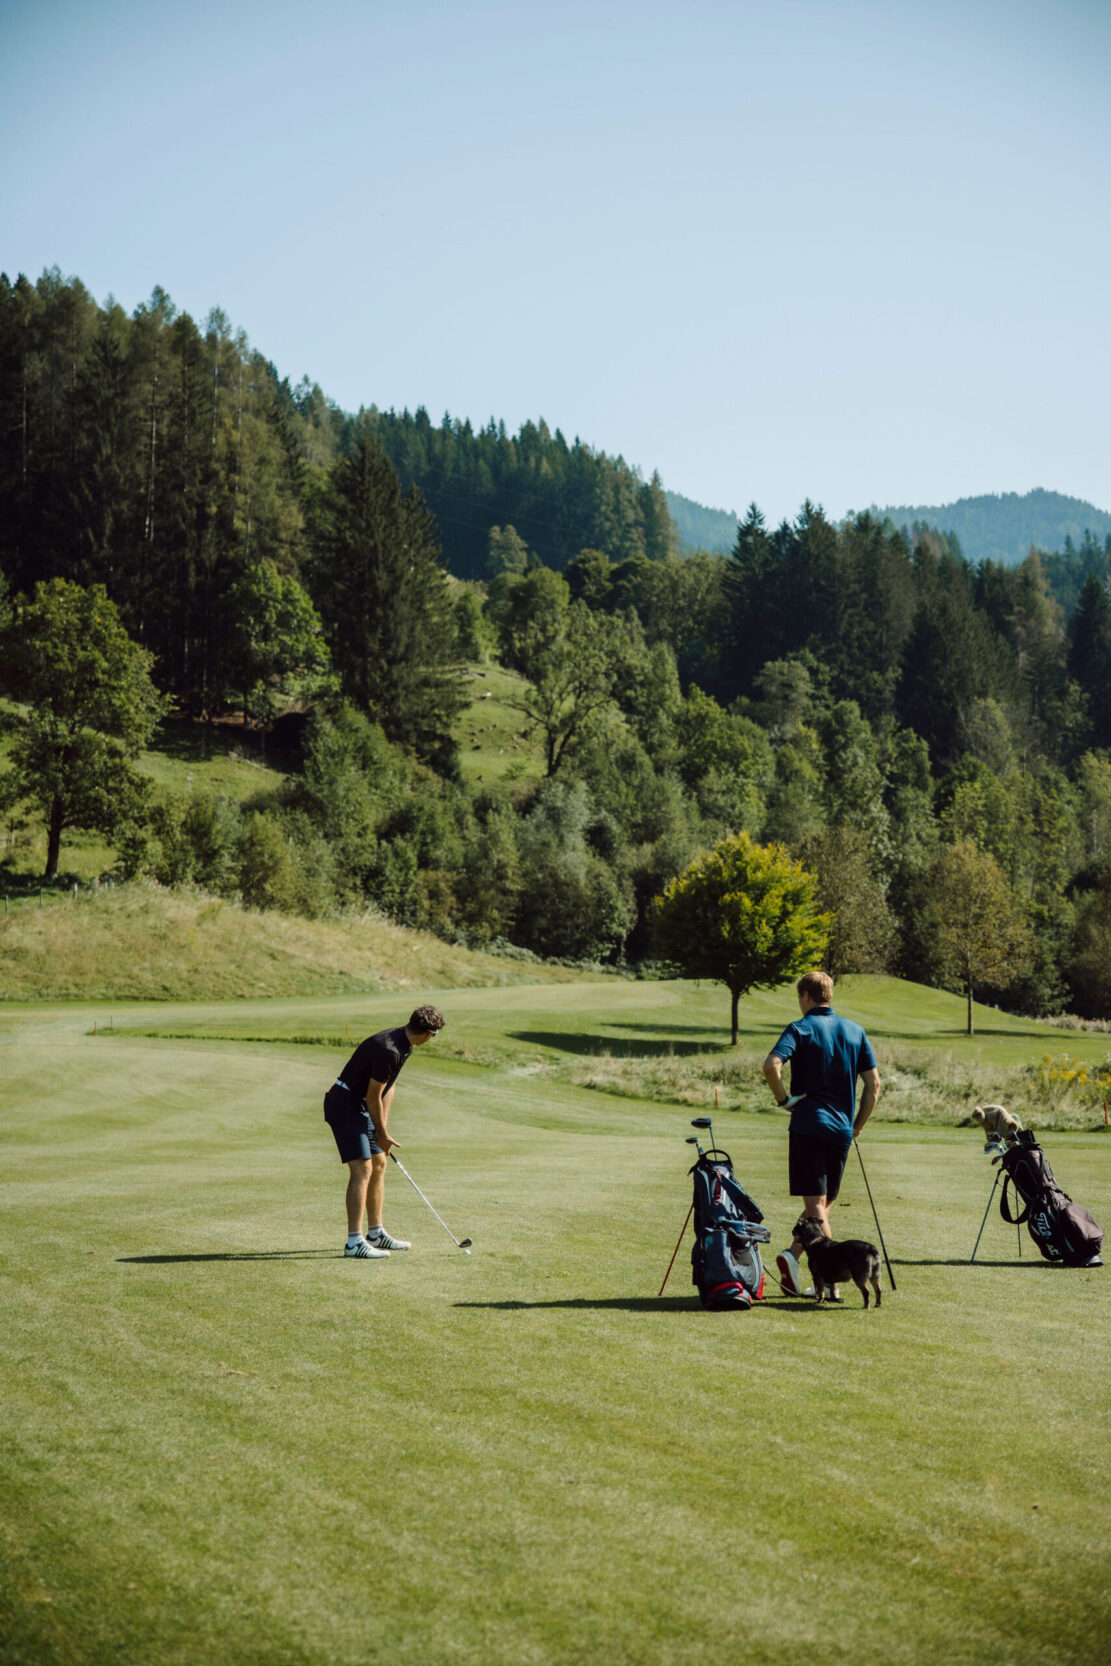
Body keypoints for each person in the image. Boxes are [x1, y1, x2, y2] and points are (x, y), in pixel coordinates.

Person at [762, 970, 880, 1299]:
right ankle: (795, 1257)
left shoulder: (800, 1028)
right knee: (824, 1202)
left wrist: (783, 1100)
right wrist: (857, 1126)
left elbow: (771, 1066)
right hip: (841, 1129)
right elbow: (874, 1085)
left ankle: (826, 1282)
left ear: (805, 996)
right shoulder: (855, 1031)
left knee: (818, 1205)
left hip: (808, 1125)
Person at [323, 1005, 446, 1259]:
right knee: (363, 1168)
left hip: (361, 1105)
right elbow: (373, 1096)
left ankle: (376, 1233)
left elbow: (389, 1086)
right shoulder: (390, 1049)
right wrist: (380, 1130)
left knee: (379, 1162)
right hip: (343, 1103)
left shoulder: (404, 1043)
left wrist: (384, 1130)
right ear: (428, 1034)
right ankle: (354, 1242)